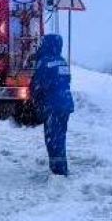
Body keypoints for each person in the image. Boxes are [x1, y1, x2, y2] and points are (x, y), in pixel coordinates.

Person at [30, 33, 74, 176]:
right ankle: (61, 167)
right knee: (60, 136)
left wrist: (36, 101)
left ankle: (58, 172)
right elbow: (67, 80)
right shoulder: (62, 61)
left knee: (52, 139)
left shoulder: (45, 62)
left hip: (52, 106)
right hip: (65, 104)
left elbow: (37, 85)